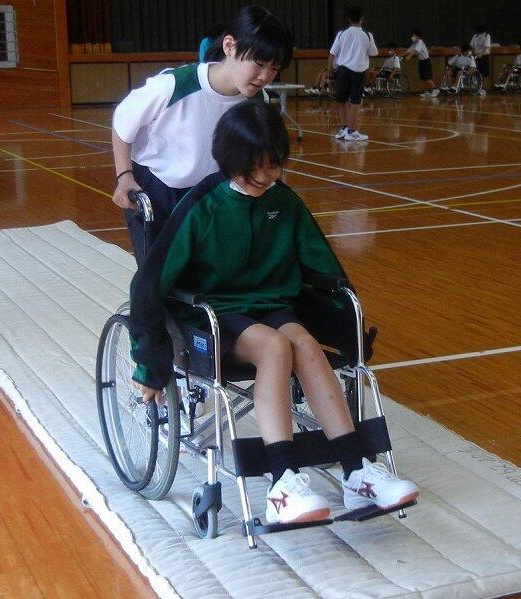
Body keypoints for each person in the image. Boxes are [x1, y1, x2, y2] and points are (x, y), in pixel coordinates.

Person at [128, 100, 419, 524]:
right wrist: (148, 361)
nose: (267, 176)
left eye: (274, 166)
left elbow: (324, 267)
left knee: (306, 344)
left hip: (270, 305)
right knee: (275, 347)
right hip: (214, 313)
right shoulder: (203, 204)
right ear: (232, 161)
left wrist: (347, 330)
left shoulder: (284, 201)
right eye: (256, 168)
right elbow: (149, 283)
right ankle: (282, 482)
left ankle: (357, 471)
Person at [111, 5, 292, 260]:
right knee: (160, 274)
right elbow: (122, 123)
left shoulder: (257, 102)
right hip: (160, 190)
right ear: (229, 46)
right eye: (259, 63)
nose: (265, 76)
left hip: (212, 195)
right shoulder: (174, 86)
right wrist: (124, 176)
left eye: (274, 68)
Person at [328, 5, 378, 141]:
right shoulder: (367, 35)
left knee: (341, 100)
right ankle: (351, 131)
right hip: (358, 72)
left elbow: (332, 54)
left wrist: (330, 70)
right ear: (362, 18)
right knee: (355, 102)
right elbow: (374, 52)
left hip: (342, 71)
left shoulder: (341, 34)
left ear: (349, 19)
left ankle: (344, 128)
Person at [404, 29, 438, 97]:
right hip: (421, 62)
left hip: (426, 61)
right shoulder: (414, 44)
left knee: (427, 78)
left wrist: (409, 56)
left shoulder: (420, 42)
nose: (412, 37)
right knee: (424, 78)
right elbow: (408, 51)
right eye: (412, 36)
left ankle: (435, 90)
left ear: (418, 36)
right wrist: (400, 55)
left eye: (414, 35)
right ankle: (429, 91)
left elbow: (416, 51)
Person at [471, 25, 491, 93]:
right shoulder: (475, 36)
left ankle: (483, 88)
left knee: (485, 73)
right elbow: (472, 46)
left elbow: (486, 47)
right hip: (477, 56)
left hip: (484, 56)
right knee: (477, 72)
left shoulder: (487, 36)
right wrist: (474, 53)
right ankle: (477, 87)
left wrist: (481, 54)